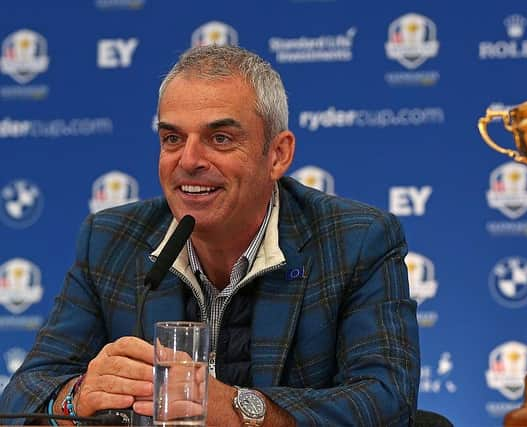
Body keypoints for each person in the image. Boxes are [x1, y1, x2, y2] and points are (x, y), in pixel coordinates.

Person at [0, 44, 420, 426]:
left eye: (220, 138)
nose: (189, 160)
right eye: (172, 138)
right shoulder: (111, 240)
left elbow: (387, 402)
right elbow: (22, 394)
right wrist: (75, 399)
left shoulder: (356, 241)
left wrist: (235, 407)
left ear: (278, 154)